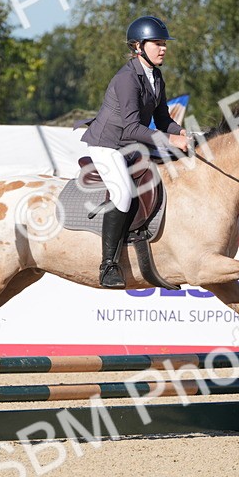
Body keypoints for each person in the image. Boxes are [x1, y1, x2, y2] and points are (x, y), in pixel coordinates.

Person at [80, 15, 190, 288]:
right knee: (123, 192)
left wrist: (181, 132)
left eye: (164, 44)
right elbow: (130, 127)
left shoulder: (155, 76)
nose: (163, 48)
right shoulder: (127, 78)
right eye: (157, 43)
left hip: (130, 144)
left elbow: (163, 118)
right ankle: (108, 265)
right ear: (138, 46)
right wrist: (169, 140)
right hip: (108, 144)